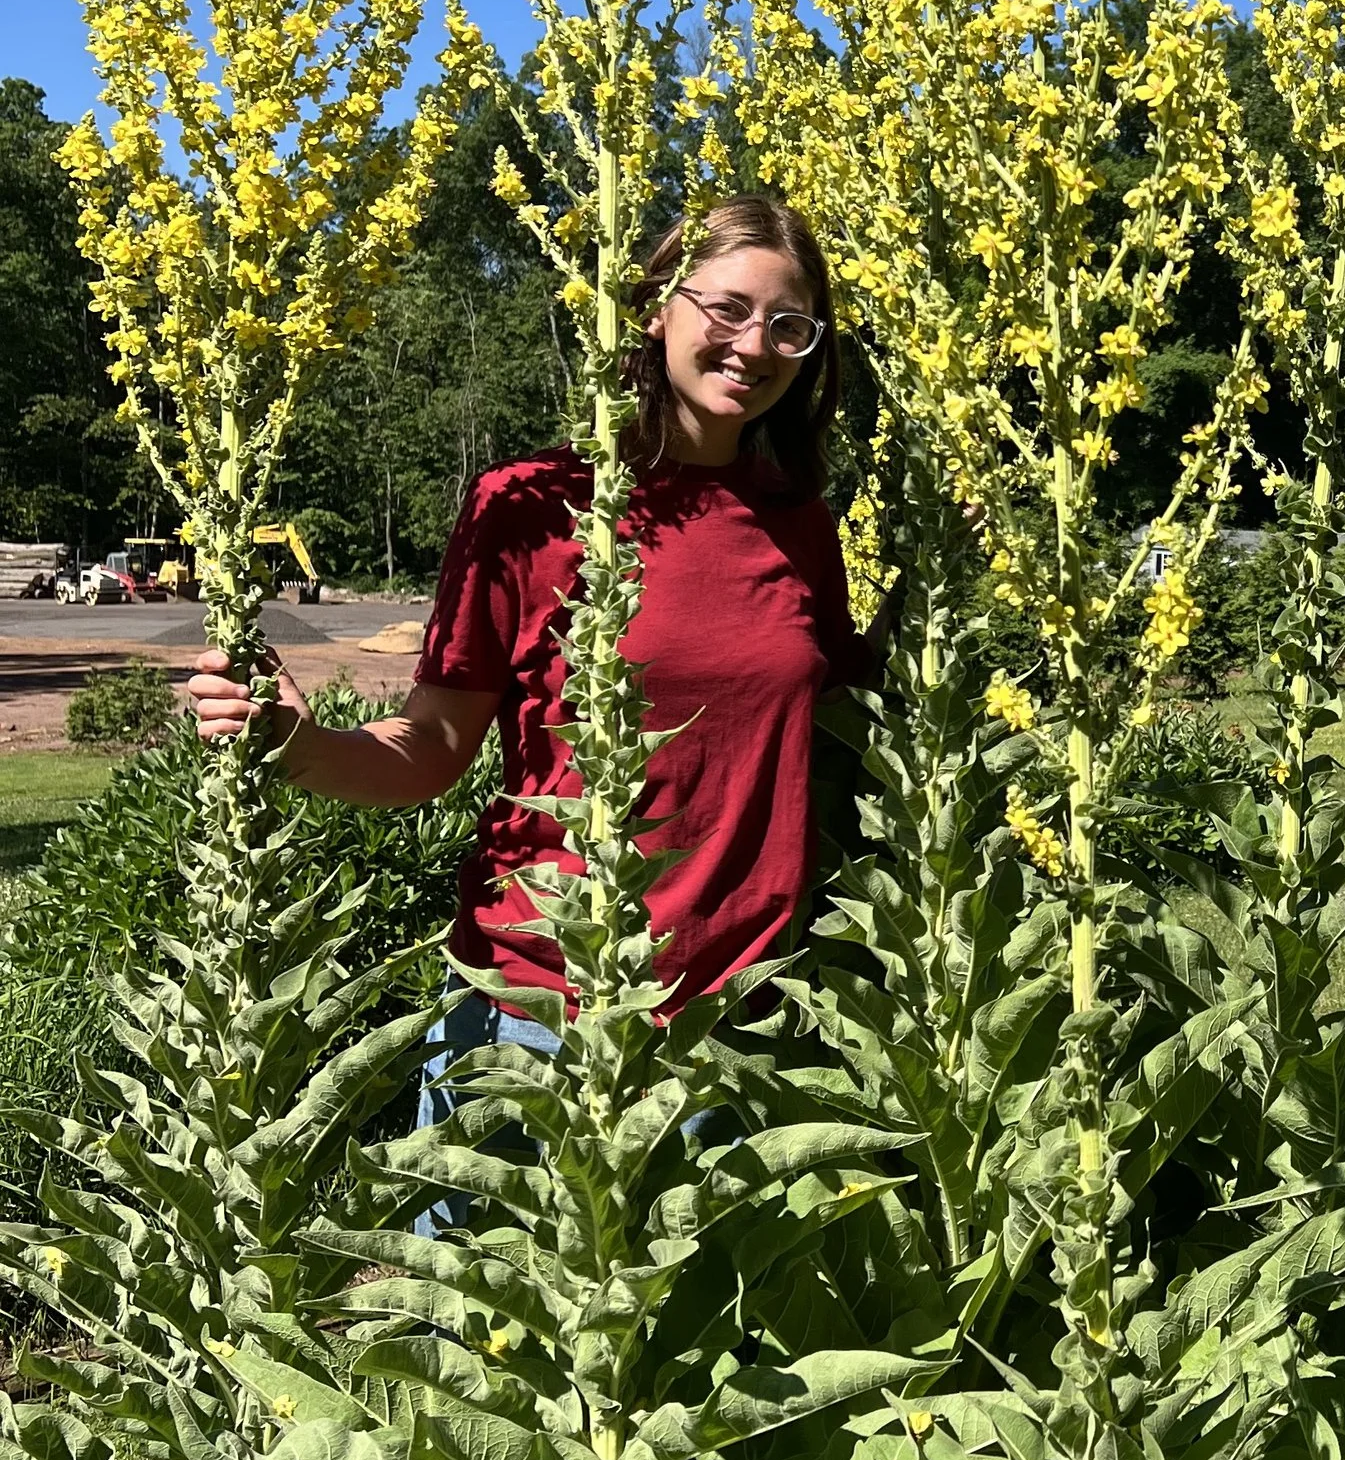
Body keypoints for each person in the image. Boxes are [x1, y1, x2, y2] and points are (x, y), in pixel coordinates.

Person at [183, 194, 888, 1095]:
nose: (753, 346)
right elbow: (432, 747)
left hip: (735, 1016)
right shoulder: (524, 508)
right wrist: (298, 744)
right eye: (727, 308)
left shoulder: (801, 526)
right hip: (539, 1011)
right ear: (654, 308)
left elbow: (838, 713)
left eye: (788, 327)